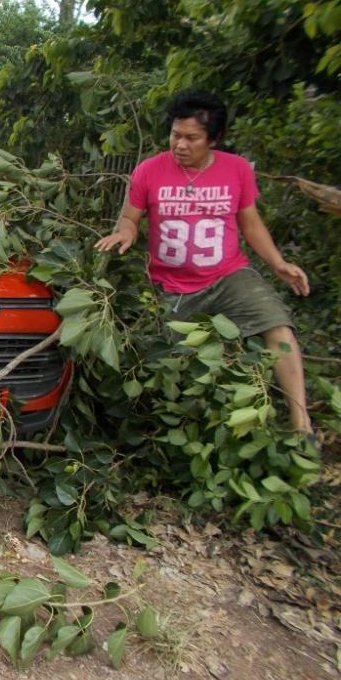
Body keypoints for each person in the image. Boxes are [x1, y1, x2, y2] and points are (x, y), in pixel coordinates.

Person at [95, 89, 313, 437]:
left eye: (191, 138)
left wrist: (277, 264)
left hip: (228, 275)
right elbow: (130, 218)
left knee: (278, 328)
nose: (180, 144)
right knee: (165, 363)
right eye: (175, 135)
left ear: (214, 138)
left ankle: (302, 427)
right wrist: (126, 232)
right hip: (169, 287)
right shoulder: (148, 171)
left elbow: (250, 223)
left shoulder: (237, 169)